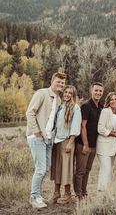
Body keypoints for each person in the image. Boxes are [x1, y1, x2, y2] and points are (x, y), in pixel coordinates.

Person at [26, 72, 66, 208]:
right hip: (37, 136)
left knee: (46, 168)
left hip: (49, 138)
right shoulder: (41, 93)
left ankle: (37, 195)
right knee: (40, 168)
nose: (60, 84)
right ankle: (33, 197)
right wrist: (36, 131)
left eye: (62, 83)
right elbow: (30, 112)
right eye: (58, 82)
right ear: (52, 81)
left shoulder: (58, 99)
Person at [49, 85, 82, 204]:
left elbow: (75, 126)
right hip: (57, 140)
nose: (67, 94)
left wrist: (70, 142)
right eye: (66, 92)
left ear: (73, 95)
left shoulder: (75, 108)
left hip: (67, 141)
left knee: (66, 168)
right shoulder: (60, 107)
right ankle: (56, 193)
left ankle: (67, 194)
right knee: (56, 167)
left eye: (70, 93)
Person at [74, 82, 104, 200]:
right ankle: (78, 195)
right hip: (83, 144)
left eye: (100, 91)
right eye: (96, 90)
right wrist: (85, 144)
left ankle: (84, 192)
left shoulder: (100, 107)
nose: (98, 93)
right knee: (80, 171)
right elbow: (83, 126)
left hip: (94, 145)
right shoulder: (86, 105)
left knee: (87, 170)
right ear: (91, 90)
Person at [96, 92, 116, 191]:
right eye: (111, 99)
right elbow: (100, 128)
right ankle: (104, 193)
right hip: (104, 146)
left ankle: (103, 191)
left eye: (115, 99)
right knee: (106, 169)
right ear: (108, 101)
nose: (114, 101)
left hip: (114, 147)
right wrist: (113, 133)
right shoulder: (105, 111)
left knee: (107, 170)